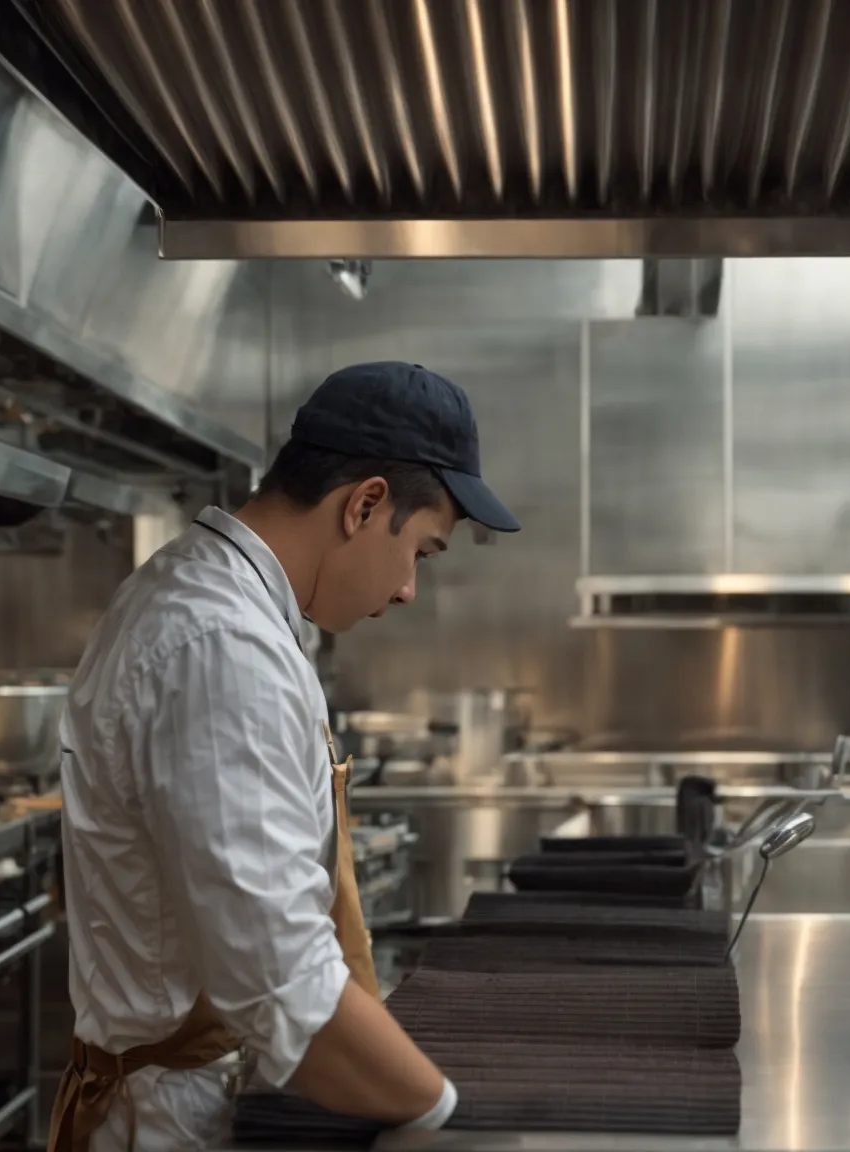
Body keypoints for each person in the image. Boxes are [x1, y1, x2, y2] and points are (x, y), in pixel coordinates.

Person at [48, 362, 521, 1152]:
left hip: (211, 1098)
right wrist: (449, 1121)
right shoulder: (221, 645)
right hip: (185, 1125)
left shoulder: (222, 609)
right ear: (365, 504)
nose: (408, 590)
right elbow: (282, 985)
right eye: (423, 554)